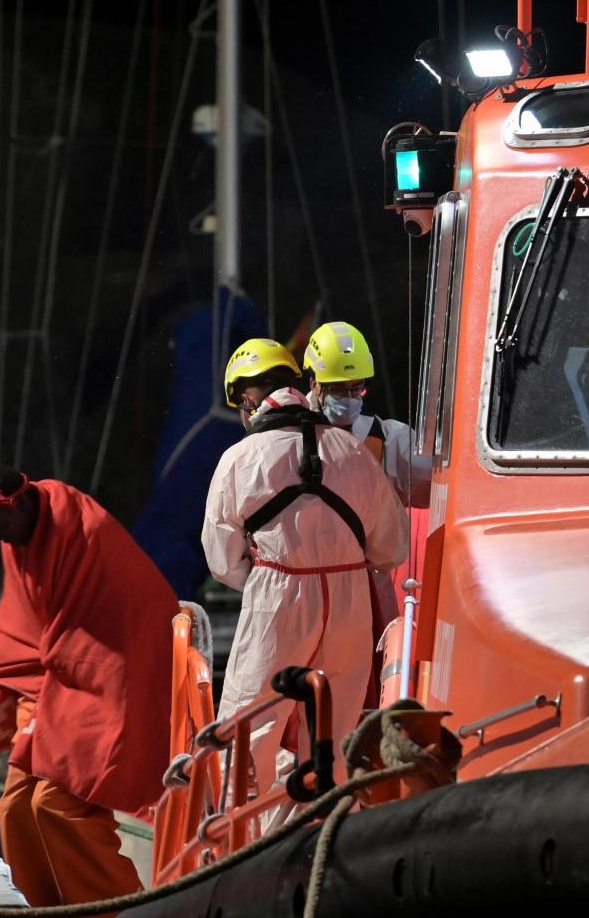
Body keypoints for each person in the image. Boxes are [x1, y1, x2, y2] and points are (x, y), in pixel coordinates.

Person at [0, 467, 175, 909]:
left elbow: (81, 637)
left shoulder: (79, 528)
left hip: (116, 679)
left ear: (25, 502)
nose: (1, 538)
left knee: (58, 803)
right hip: (66, 681)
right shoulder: (21, 538)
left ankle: (119, 908)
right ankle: (43, 906)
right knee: (14, 804)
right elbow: (27, 628)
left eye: (0, 524)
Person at [202, 337, 407, 822]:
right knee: (330, 737)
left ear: (248, 398)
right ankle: (323, 835)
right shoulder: (353, 451)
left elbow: (221, 559)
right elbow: (391, 549)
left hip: (277, 598)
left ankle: (252, 845)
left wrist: (273, 573)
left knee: (247, 732)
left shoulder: (240, 459)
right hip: (350, 601)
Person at [302, 321, 431, 508]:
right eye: (337, 389)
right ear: (315, 385)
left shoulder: (387, 438)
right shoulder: (291, 435)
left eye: (356, 388)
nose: (349, 398)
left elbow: (439, 479)